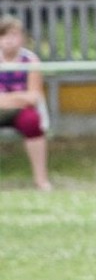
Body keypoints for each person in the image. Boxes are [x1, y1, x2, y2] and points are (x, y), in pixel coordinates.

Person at [0, 15, 52, 191]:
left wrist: (8, 99)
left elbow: (32, 97)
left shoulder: (30, 60)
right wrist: (18, 97)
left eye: (14, 35)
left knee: (31, 122)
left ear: (22, 38)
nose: (10, 40)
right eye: (5, 35)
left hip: (21, 111)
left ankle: (41, 180)